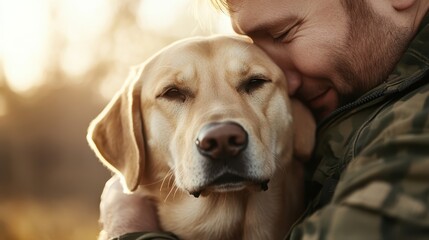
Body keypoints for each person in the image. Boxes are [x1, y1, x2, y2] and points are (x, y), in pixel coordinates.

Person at [99, 0, 429, 239]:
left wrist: (127, 231)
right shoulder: (350, 104)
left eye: (284, 33)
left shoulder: (416, 123)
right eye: (175, 94)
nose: (287, 81)